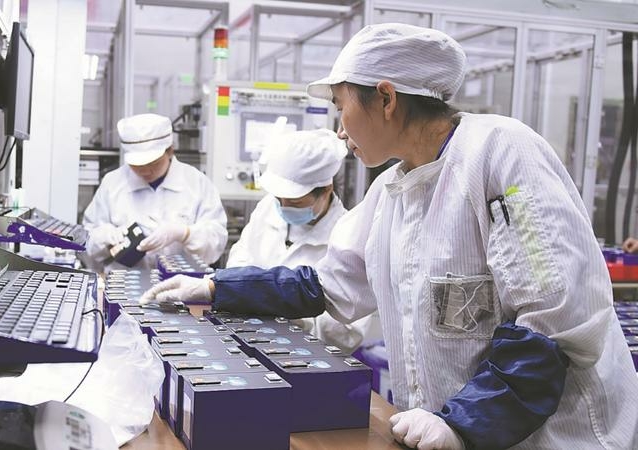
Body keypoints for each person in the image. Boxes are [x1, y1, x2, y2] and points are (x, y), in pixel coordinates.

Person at [141, 23, 638, 450]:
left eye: (341, 106)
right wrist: (216, 287)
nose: (340, 131)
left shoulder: (502, 154)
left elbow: (554, 322)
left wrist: (462, 423)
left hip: (557, 438)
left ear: (385, 98)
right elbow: (327, 285)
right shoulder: (391, 191)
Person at [227, 128, 370, 351]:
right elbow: (242, 255)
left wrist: (299, 319)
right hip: (251, 337)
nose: (283, 207)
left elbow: (350, 332)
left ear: (326, 190)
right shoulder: (267, 208)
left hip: (306, 356)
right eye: (279, 199)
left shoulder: (349, 236)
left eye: (295, 202)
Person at [82, 113, 228, 272]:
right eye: (137, 166)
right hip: (124, 283)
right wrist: (105, 237)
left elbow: (216, 241)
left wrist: (186, 234)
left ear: (170, 151)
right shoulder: (113, 183)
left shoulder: (197, 183)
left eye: (153, 163)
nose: (145, 171)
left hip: (183, 283)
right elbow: (88, 240)